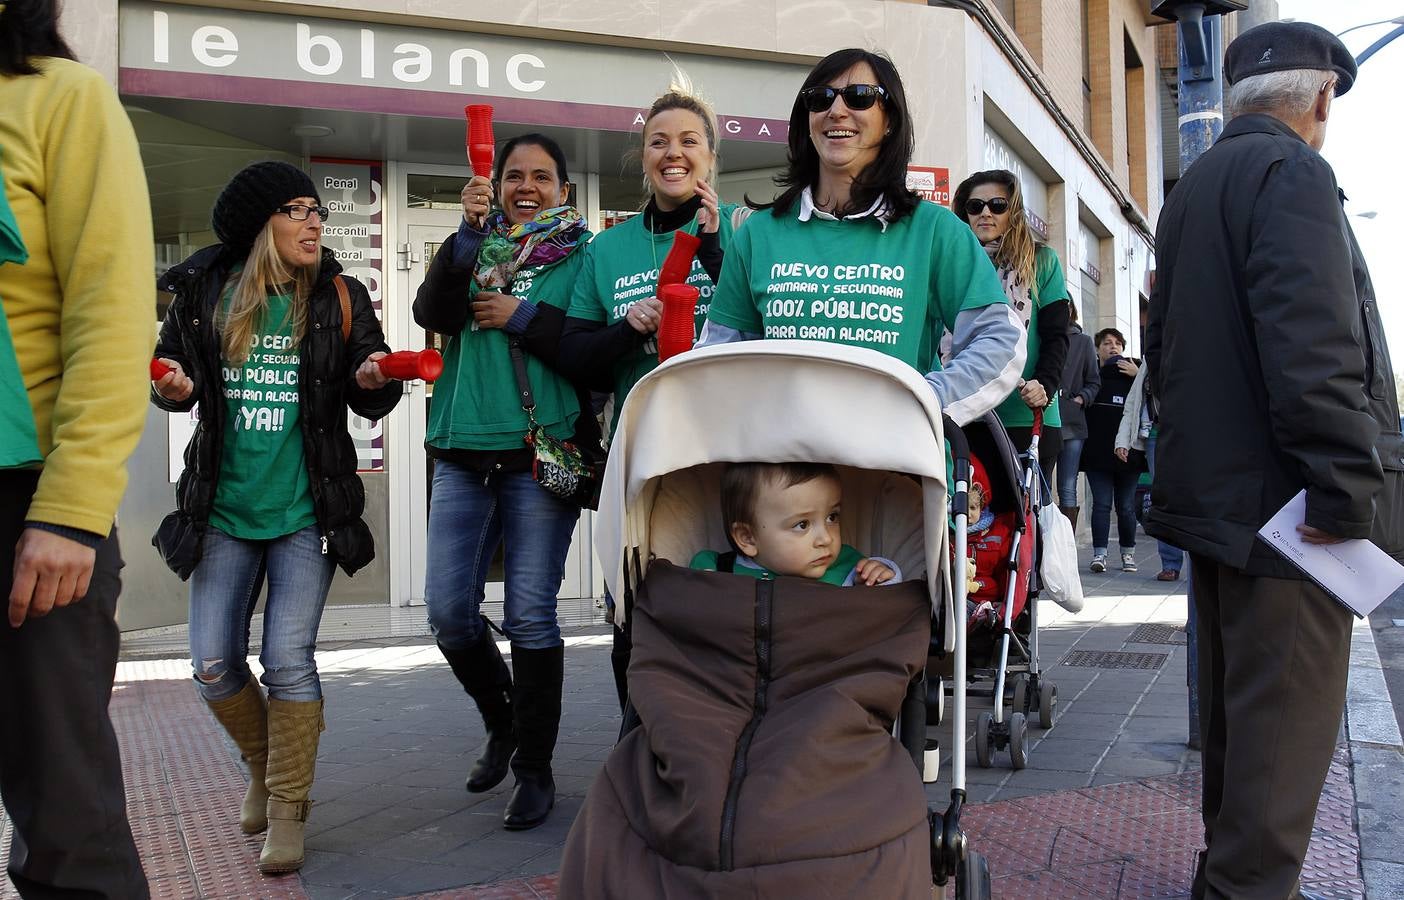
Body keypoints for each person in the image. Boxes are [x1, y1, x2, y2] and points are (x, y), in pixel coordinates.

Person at [1146, 22, 1400, 900]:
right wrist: (1344, 493)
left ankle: (1227, 880)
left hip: (1220, 510)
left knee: (1239, 739)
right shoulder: (1293, 174)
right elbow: (1316, 346)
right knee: (1281, 748)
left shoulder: (1195, 186)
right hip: (1290, 518)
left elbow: (1165, 350)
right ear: (1323, 96)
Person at [151, 161, 402, 875]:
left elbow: (367, 374)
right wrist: (173, 386)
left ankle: (288, 805)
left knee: (288, 659)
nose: (315, 221)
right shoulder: (205, 292)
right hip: (223, 510)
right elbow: (173, 368)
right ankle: (263, 765)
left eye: (317, 209)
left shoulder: (341, 296)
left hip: (306, 513)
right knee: (211, 663)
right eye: (297, 209)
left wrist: (375, 375)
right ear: (262, 223)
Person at [0, 5, 154, 894]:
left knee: (67, 827)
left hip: (31, 507)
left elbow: (111, 312)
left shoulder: (63, 100)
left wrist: (70, 510)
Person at [415, 133, 597, 832]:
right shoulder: (472, 247)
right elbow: (432, 315)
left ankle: (534, 770)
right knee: (448, 612)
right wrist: (464, 236)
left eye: (542, 176)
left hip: (535, 450)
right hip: (461, 449)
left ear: (564, 190)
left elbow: (588, 342)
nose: (527, 186)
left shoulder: (580, 257)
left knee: (529, 614)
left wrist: (524, 317)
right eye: (514, 174)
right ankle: (503, 720)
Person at [698, 48, 1024, 427]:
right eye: (820, 99)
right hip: (782, 470)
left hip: (895, 467)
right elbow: (717, 355)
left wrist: (925, 400)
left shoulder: (935, 230)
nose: (836, 110)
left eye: (859, 97)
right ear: (807, 120)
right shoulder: (758, 233)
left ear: (889, 121)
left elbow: (1002, 341)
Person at [558, 84, 738, 712]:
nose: (674, 153)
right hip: (639, 452)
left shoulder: (744, 232)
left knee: (721, 592)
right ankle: (638, 733)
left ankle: (714, 728)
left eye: (689, 141)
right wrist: (624, 329)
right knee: (634, 599)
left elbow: (775, 328)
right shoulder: (606, 250)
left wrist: (714, 252)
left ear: (710, 156)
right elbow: (576, 353)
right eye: (659, 142)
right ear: (643, 156)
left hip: (728, 446)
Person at [952, 169, 1071, 470]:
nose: (986, 213)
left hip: (1025, 411)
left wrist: (1044, 385)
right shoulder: (953, 266)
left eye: (997, 205)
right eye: (975, 206)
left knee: (1027, 515)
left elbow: (1057, 336)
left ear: (1013, 211)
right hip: (963, 409)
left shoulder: (1041, 260)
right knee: (969, 514)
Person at [690, 462, 900, 586]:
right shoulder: (717, 569)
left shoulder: (850, 569)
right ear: (748, 537)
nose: (826, 538)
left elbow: (883, 613)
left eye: (832, 518)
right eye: (802, 525)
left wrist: (882, 575)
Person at [1080, 327, 1146, 574]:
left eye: (1117, 343)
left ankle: (1128, 555)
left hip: (1130, 453)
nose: (1113, 347)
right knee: (1101, 504)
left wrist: (1139, 375)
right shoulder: (1092, 375)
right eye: (1107, 343)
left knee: (1126, 506)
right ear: (1097, 349)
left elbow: (1157, 391)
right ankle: (1100, 555)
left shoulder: (1136, 372)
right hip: (1098, 453)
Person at [1114, 362, 1184, 581]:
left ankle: (1203, 560)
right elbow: (1133, 403)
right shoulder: (1149, 361)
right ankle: (1170, 563)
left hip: (1188, 433)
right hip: (1155, 433)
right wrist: (1122, 440)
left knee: (1191, 497)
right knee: (1163, 498)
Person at [1055, 303, 1099, 529]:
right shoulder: (1043, 336)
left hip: (1073, 421)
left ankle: (1067, 551)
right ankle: (1041, 547)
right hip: (1044, 418)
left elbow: (1094, 381)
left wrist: (1081, 398)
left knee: (1067, 486)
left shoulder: (1083, 342)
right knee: (1039, 485)